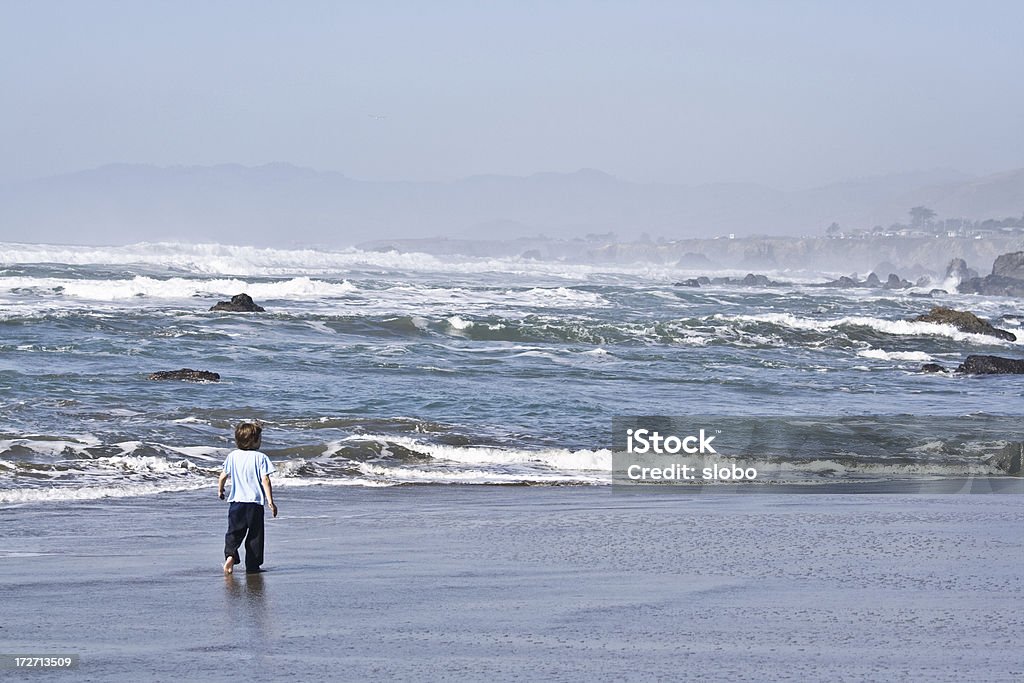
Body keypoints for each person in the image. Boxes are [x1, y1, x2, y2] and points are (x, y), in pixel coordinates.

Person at [218, 421, 278, 574]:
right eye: (260, 438)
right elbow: (266, 480)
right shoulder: (261, 457)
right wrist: (270, 501)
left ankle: (230, 556)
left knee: (234, 532)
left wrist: (220, 490)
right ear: (254, 440)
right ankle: (252, 565)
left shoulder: (233, 456)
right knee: (255, 535)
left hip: (236, 502)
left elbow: (223, 476)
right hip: (254, 503)